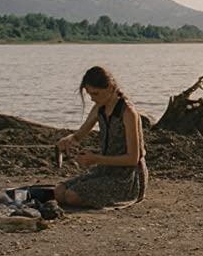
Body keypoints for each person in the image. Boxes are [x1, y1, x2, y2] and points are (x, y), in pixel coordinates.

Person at [54, 66, 149, 208]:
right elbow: (78, 136)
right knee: (59, 191)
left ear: (110, 87)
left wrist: (96, 159)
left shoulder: (128, 112)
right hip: (104, 170)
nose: (92, 99)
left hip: (126, 178)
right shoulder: (100, 107)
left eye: (96, 93)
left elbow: (132, 158)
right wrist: (68, 140)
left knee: (71, 196)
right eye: (89, 94)